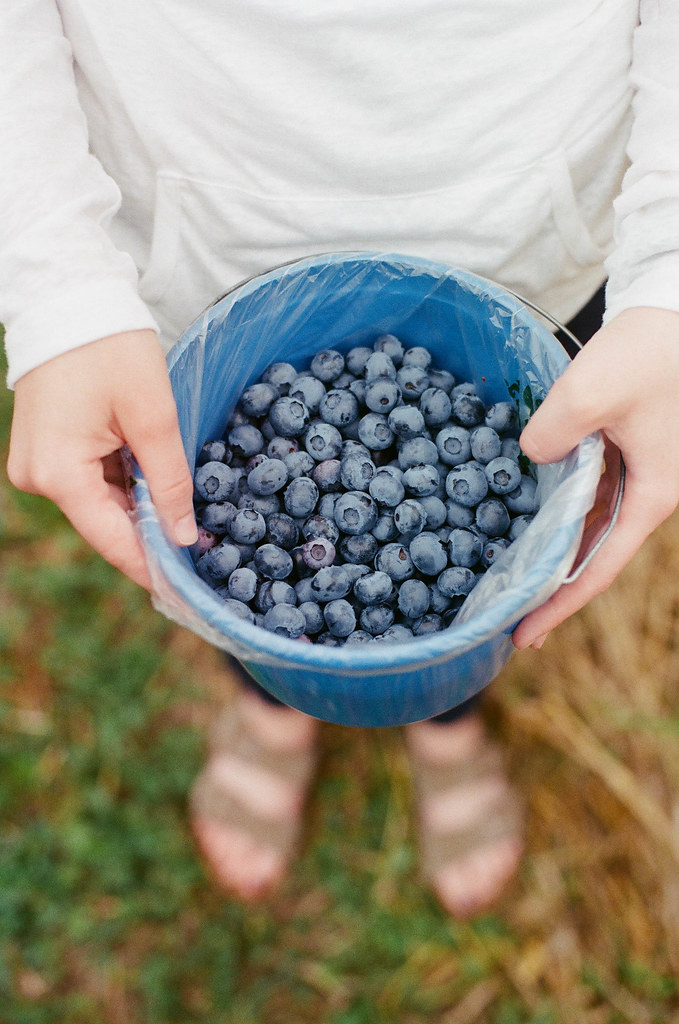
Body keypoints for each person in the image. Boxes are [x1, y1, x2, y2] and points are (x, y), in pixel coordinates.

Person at [2, 1, 679, 916]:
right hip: (199, 248)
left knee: (472, 617)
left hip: (538, 248)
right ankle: (273, 700)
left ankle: (449, 717)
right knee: (227, 568)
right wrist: (55, 283)